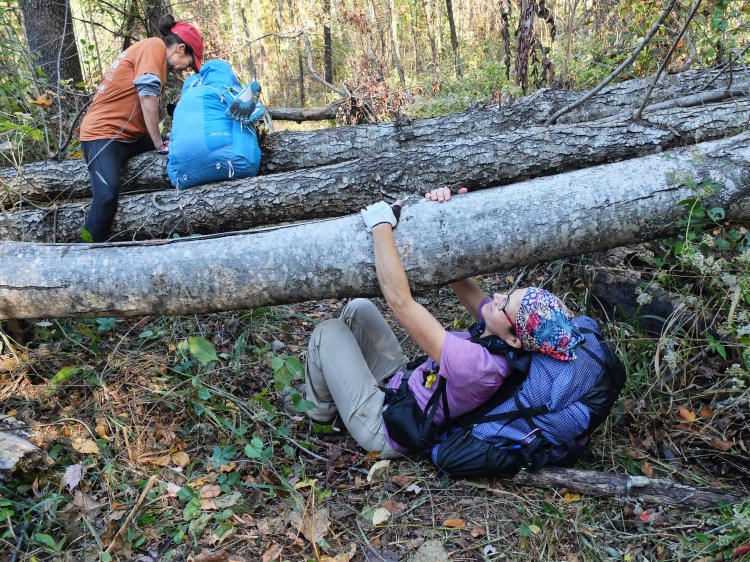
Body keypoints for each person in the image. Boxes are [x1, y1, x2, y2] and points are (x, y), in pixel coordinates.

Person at [302, 187, 607, 461]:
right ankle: (339, 393)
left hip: (385, 428)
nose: (497, 296)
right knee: (358, 309)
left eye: (503, 304)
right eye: (507, 294)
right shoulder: (501, 335)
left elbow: (401, 303)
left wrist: (381, 228)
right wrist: (442, 214)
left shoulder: (479, 365)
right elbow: (458, 280)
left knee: (327, 333)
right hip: (404, 390)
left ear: (516, 338)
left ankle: (322, 419)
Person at [79, 15, 205, 242]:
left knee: (174, 143)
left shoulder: (156, 58)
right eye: (189, 62)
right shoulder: (153, 46)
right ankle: (85, 249)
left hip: (130, 137)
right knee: (106, 197)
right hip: (102, 135)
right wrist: (157, 144)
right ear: (180, 48)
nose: (185, 69)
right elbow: (147, 96)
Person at [167, 60, 263, 189]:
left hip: (181, 175)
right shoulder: (225, 87)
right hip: (235, 163)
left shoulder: (184, 99)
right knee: (242, 117)